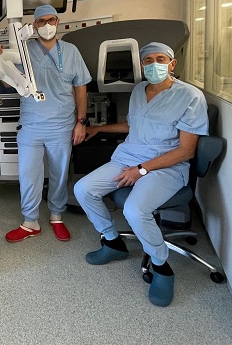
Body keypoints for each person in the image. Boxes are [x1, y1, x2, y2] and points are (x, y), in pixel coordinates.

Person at [73, 42, 208, 307]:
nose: (154, 64)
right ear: (142, 65)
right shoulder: (138, 90)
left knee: (134, 210)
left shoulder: (190, 96)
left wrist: (142, 169)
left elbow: (186, 151)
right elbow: (132, 124)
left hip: (166, 166)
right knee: (83, 189)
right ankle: (113, 242)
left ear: (172, 64)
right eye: (148, 60)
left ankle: (162, 268)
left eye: (161, 59)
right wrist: (99, 128)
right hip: (128, 158)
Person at [0, 4, 91, 243]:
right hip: (31, 124)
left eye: (51, 20)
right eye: (41, 21)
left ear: (57, 22)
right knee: (28, 175)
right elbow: (8, 84)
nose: (47, 25)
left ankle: (56, 216)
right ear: (34, 25)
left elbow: (81, 88)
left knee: (59, 173)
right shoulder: (22, 51)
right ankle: (30, 222)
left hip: (62, 125)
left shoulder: (71, 51)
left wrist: (81, 122)